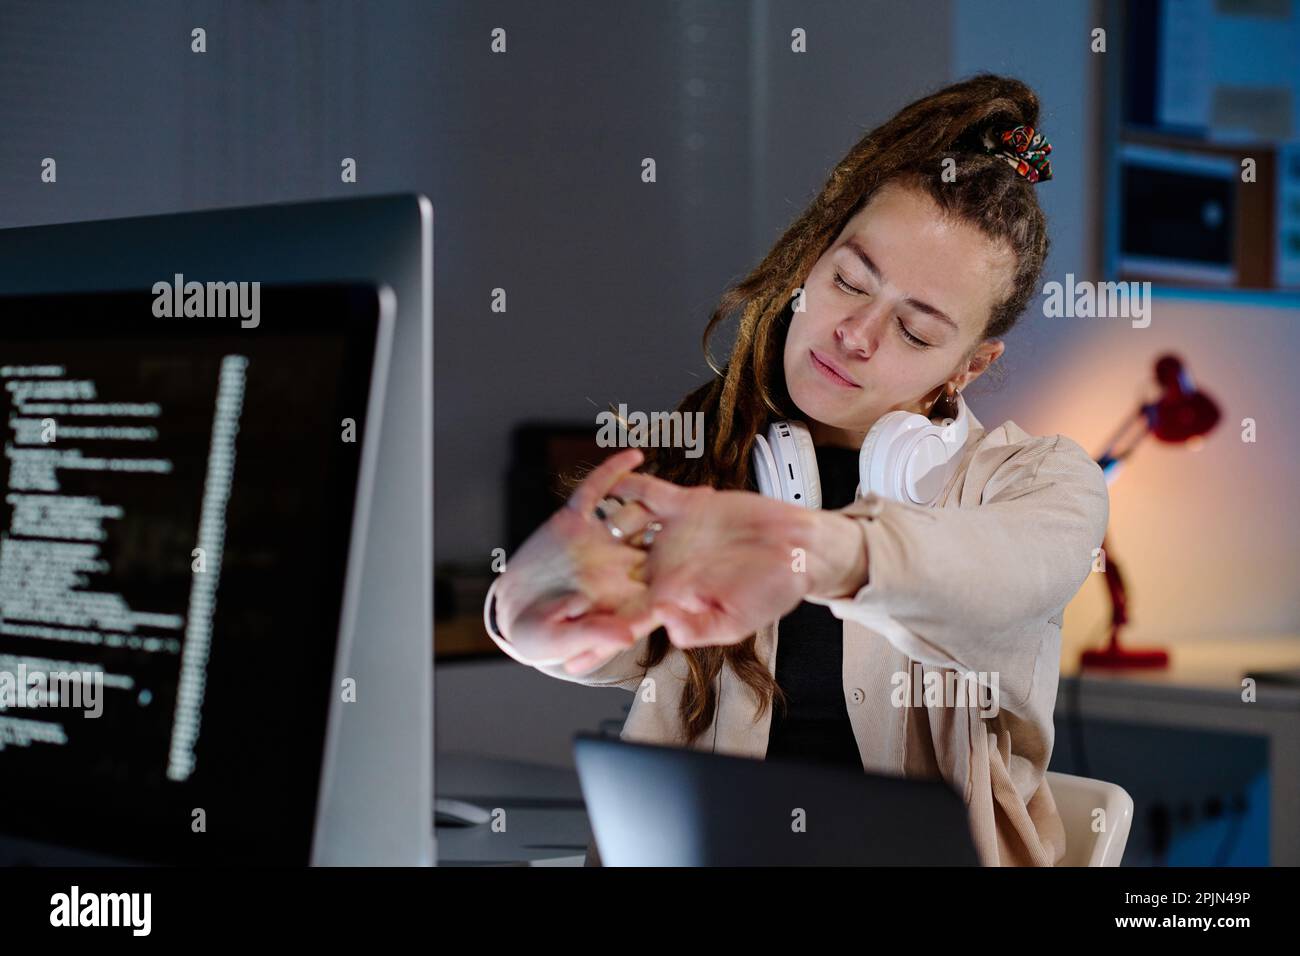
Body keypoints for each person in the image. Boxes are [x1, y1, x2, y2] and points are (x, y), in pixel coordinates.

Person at [483, 73, 1109, 866]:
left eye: (916, 332)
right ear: (810, 263)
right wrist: (534, 611)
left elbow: (997, 578)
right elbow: (603, 640)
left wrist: (810, 549)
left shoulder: (1040, 484)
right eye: (849, 281)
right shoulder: (711, 457)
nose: (855, 334)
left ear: (971, 365)